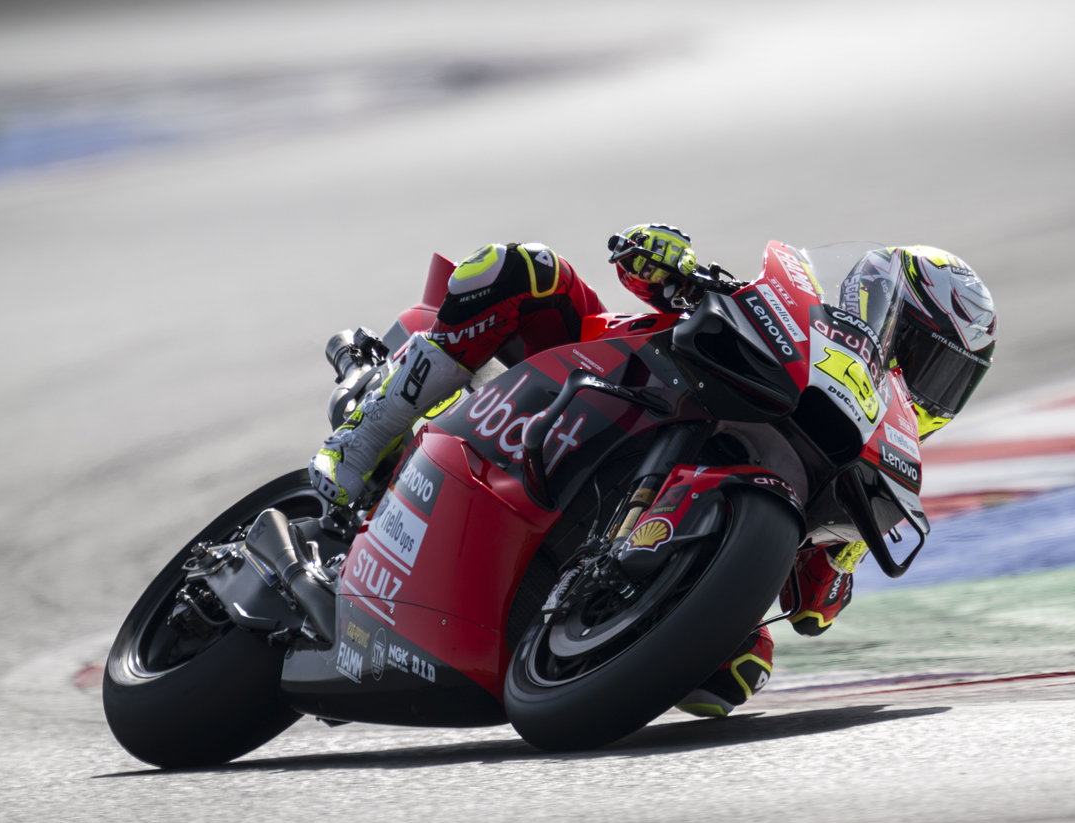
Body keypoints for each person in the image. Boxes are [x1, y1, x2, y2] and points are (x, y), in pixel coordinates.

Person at [309, 225, 997, 717]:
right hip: (594, 368)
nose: (919, 380)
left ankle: (590, 632)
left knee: (738, 670)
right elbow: (647, 268)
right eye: (916, 347)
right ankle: (364, 439)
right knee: (520, 267)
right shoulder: (794, 322)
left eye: (944, 378)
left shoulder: (875, 455)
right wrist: (671, 263)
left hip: (639, 536)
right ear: (877, 301)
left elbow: (811, 604)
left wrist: (831, 572)